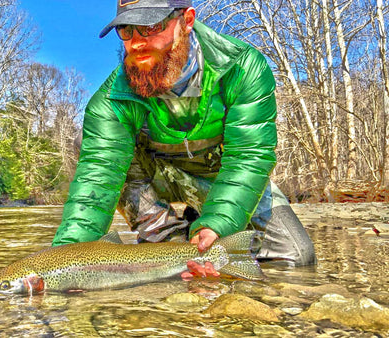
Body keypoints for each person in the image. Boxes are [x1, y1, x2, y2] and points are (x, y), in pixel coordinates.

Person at [51, 0, 316, 278]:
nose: (137, 42)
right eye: (127, 30)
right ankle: (167, 241)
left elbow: (249, 157)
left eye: (151, 26)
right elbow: (97, 179)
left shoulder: (242, 67)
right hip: (157, 182)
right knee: (92, 146)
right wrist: (64, 263)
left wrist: (218, 224)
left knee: (296, 258)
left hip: (222, 178)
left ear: (187, 21)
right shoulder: (110, 102)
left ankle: (200, 223)